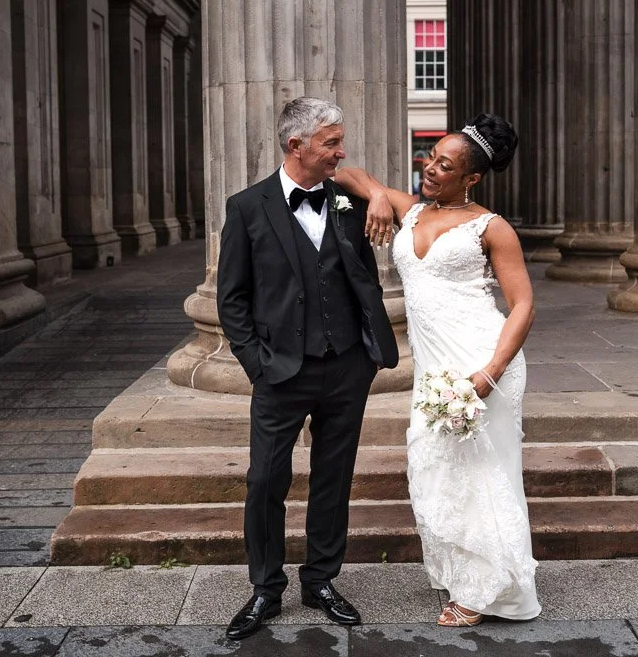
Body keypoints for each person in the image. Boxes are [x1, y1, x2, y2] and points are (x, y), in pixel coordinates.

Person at [335, 112, 541, 626]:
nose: (430, 168)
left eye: (444, 165)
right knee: (437, 467)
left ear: (471, 178)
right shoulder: (412, 211)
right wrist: (380, 195)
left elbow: (522, 306)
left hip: (483, 360)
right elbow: (346, 175)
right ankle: (464, 574)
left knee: (484, 472)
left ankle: (484, 590)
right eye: (431, 156)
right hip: (435, 369)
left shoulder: (492, 228)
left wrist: (490, 373)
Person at [217, 97, 399, 641]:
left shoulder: (348, 198)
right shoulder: (248, 207)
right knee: (265, 479)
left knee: (333, 477)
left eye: (340, 142)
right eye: (331, 143)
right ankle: (265, 589)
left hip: (347, 366)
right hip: (281, 371)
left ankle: (321, 581)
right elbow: (232, 299)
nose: (340, 152)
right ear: (297, 146)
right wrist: (258, 365)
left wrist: (381, 196)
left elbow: (360, 275)